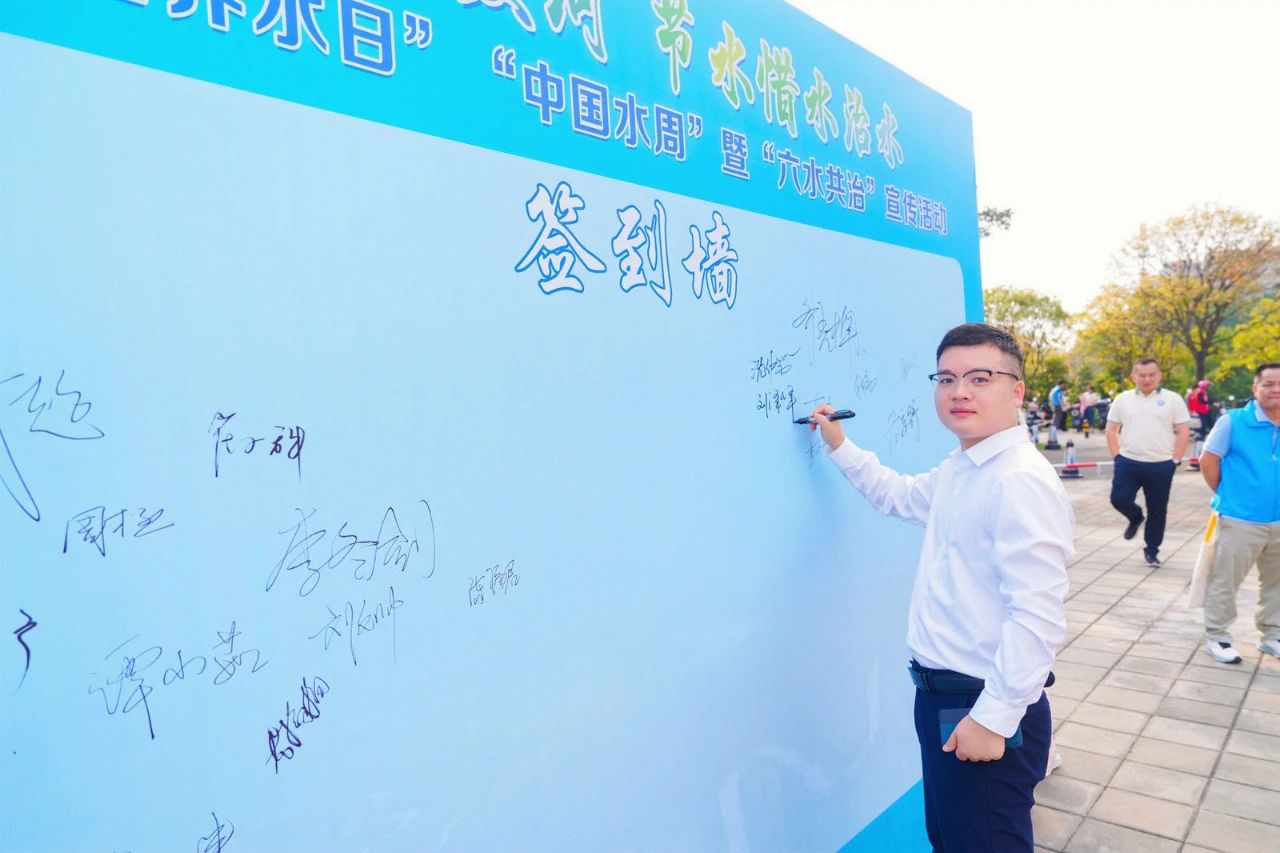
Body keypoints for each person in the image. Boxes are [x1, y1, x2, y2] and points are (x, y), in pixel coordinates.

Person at [807, 323, 1072, 852]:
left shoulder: (1017, 479)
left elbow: (1038, 617)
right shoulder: (965, 467)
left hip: (981, 703)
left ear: (1017, 390)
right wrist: (840, 445)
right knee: (952, 840)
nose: (959, 392)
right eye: (946, 378)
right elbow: (898, 496)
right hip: (944, 699)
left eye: (980, 378)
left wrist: (993, 719)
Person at [1198, 363, 1280, 664]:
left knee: (1276, 583)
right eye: (1268, 384)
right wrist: (1229, 495)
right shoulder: (1233, 422)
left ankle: (1272, 635)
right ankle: (1217, 637)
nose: (1276, 390)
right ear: (1255, 388)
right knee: (1225, 580)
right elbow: (1208, 461)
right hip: (1240, 519)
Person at [1105, 358, 1191, 566]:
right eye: (1142, 375)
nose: (1147, 379)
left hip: (1161, 464)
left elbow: (1183, 431)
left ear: (1159, 376)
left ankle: (1152, 549)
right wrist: (1116, 456)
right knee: (1119, 499)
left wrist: (1175, 460)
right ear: (1133, 377)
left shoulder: (1173, 399)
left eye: (1152, 375)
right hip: (1128, 461)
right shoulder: (1122, 399)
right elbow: (1111, 429)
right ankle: (1135, 517)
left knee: (1157, 509)